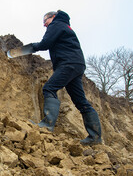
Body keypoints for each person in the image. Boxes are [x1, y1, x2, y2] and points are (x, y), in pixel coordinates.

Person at [30, 10, 103, 146]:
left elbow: (45, 43)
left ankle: (47, 126)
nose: (44, 25)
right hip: (77, 65)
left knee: (49, 88)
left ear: (53, 17)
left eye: (45, 21)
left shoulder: (56, 24)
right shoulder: (65, 26)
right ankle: (95, 137)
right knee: (81, 102)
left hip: (68, 63)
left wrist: (33, 47)